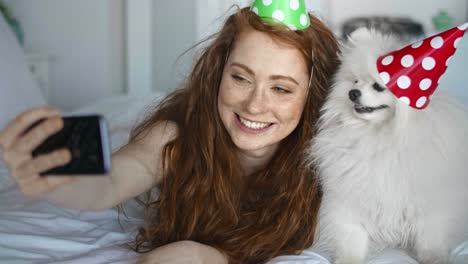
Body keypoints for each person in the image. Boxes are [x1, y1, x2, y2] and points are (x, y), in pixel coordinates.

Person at [0, 3, 339, 263]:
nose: (254, 105)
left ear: (312, 96)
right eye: (240, 78)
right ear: (218, 73)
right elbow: (111, 182)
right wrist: (62, 179)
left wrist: (211, 256)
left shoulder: (331, 161)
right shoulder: (175, 135)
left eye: (281, 89)